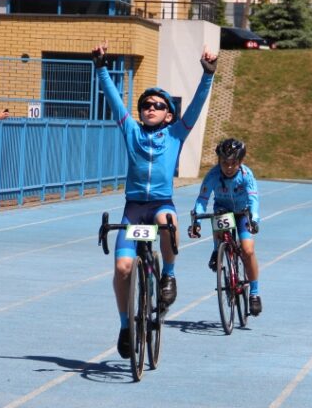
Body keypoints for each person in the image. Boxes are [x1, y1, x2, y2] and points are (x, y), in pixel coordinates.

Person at [91, 40, 217, 357]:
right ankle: (124, 325)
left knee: (168, 223)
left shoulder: (176, 133)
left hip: (161, 204)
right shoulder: (131, 131)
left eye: (158, 105)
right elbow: (114, 101)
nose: (150, 107)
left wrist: (208, 75)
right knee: (121, 268)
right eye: (146, 103)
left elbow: (197, 106)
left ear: (169, 115)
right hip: (134, 208)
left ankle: (169, 276)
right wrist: (101, 68)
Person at [189, 138, 263, 316]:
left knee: (248, 249)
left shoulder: (246, 175)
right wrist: (196, 221)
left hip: (242, 212)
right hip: (222, 209)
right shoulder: (213, 175)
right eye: (224, 163)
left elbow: (253, 199)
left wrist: (254, 219)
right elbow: (202, 200)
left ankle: (254, 293)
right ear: (218, 161)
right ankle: (217, 250)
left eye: (233, 163)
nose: (228, 167)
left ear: (240, 162)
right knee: (219, 218)